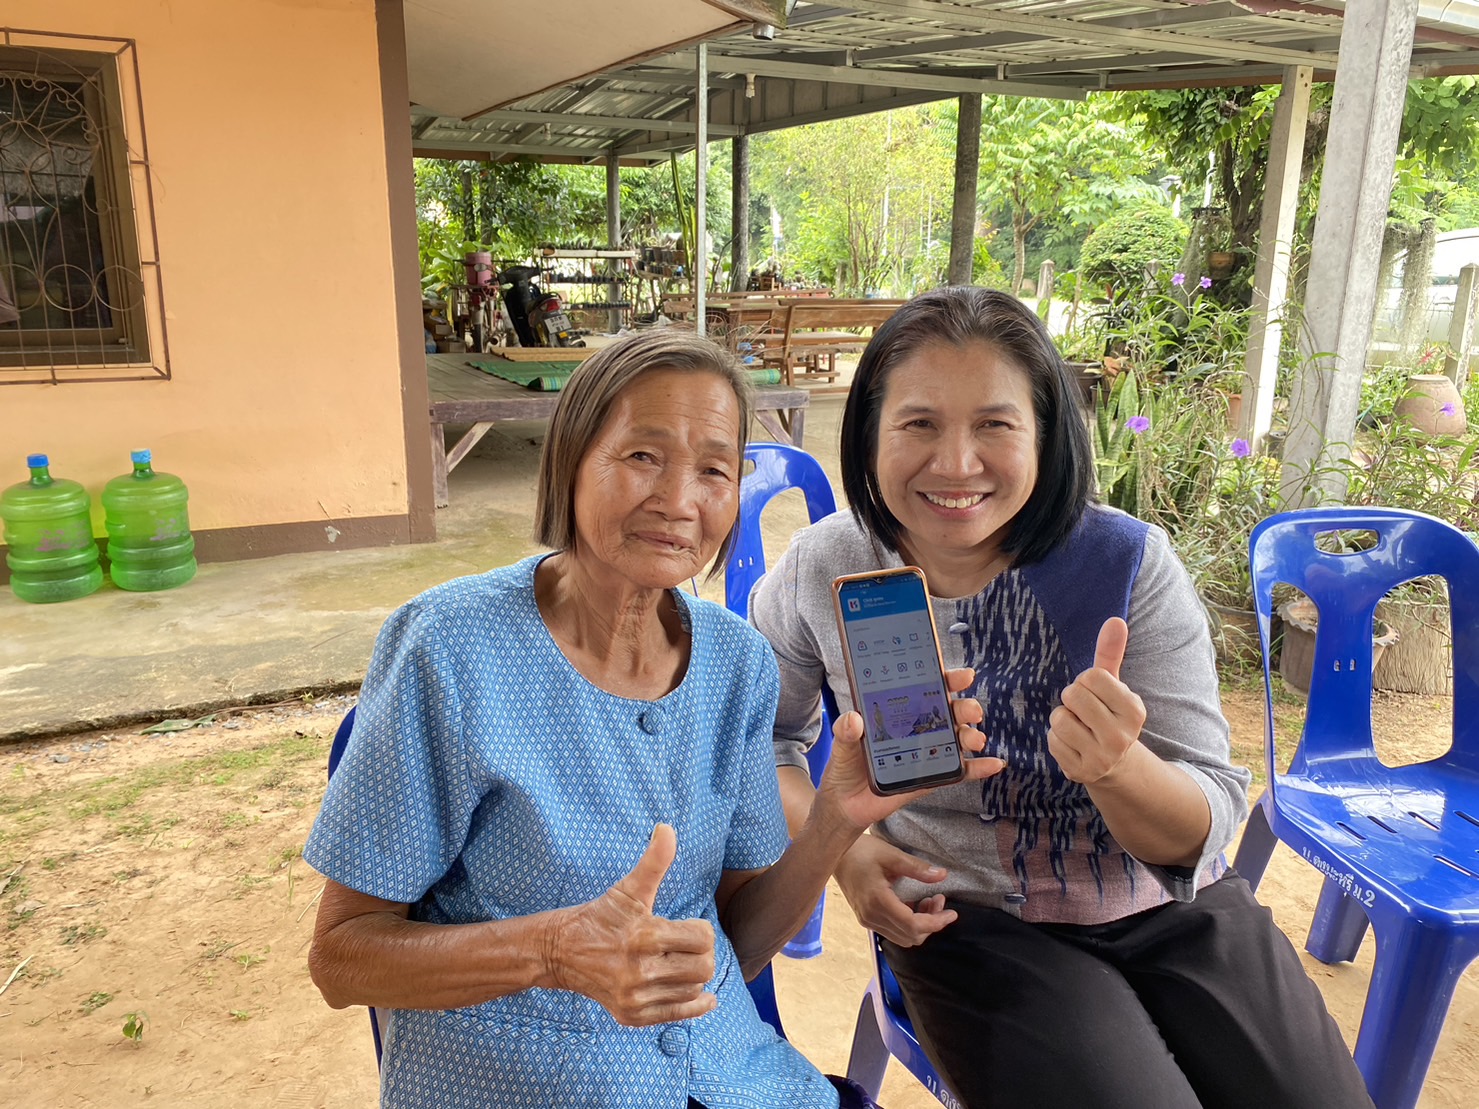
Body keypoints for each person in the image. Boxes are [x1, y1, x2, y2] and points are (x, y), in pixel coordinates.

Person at [303, 329, 1001, 1109]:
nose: (678, 500)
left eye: (713, 469)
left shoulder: (734, 662)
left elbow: (732, 947)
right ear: (570, 460)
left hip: (738, 1081)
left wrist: (835, 820)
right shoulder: (449, 647)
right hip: (521, 1086)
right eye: (642, 456)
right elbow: (342, 957)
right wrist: (552, 951)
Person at [749, 287, 1375, 1109]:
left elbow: (1208, 815)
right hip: (968, 922)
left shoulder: (1128, 564)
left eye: (995, 425)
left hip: (1176, 912)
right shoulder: (821, 566)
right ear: (867, 429)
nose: (955, 463)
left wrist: (1119, 770)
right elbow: (765, 743)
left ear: (1046, 433)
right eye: (918, 423)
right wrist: (847, 850)